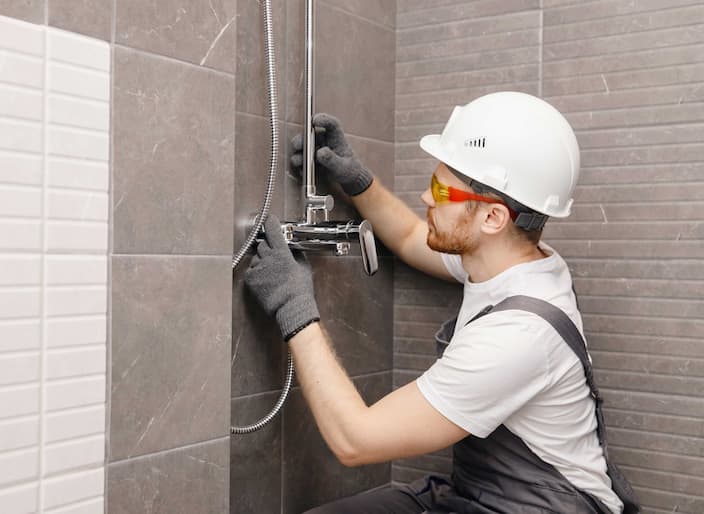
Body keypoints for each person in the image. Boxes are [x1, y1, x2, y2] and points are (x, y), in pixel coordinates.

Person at [244, 92, 630, 514]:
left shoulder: (519, 337)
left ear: (493, 218)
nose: (427, 199)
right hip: (481, 496)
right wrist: (359, 183)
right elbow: (412, 238)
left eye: (440, 189)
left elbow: (356, 440)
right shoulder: (515, 261)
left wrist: (292, 305)